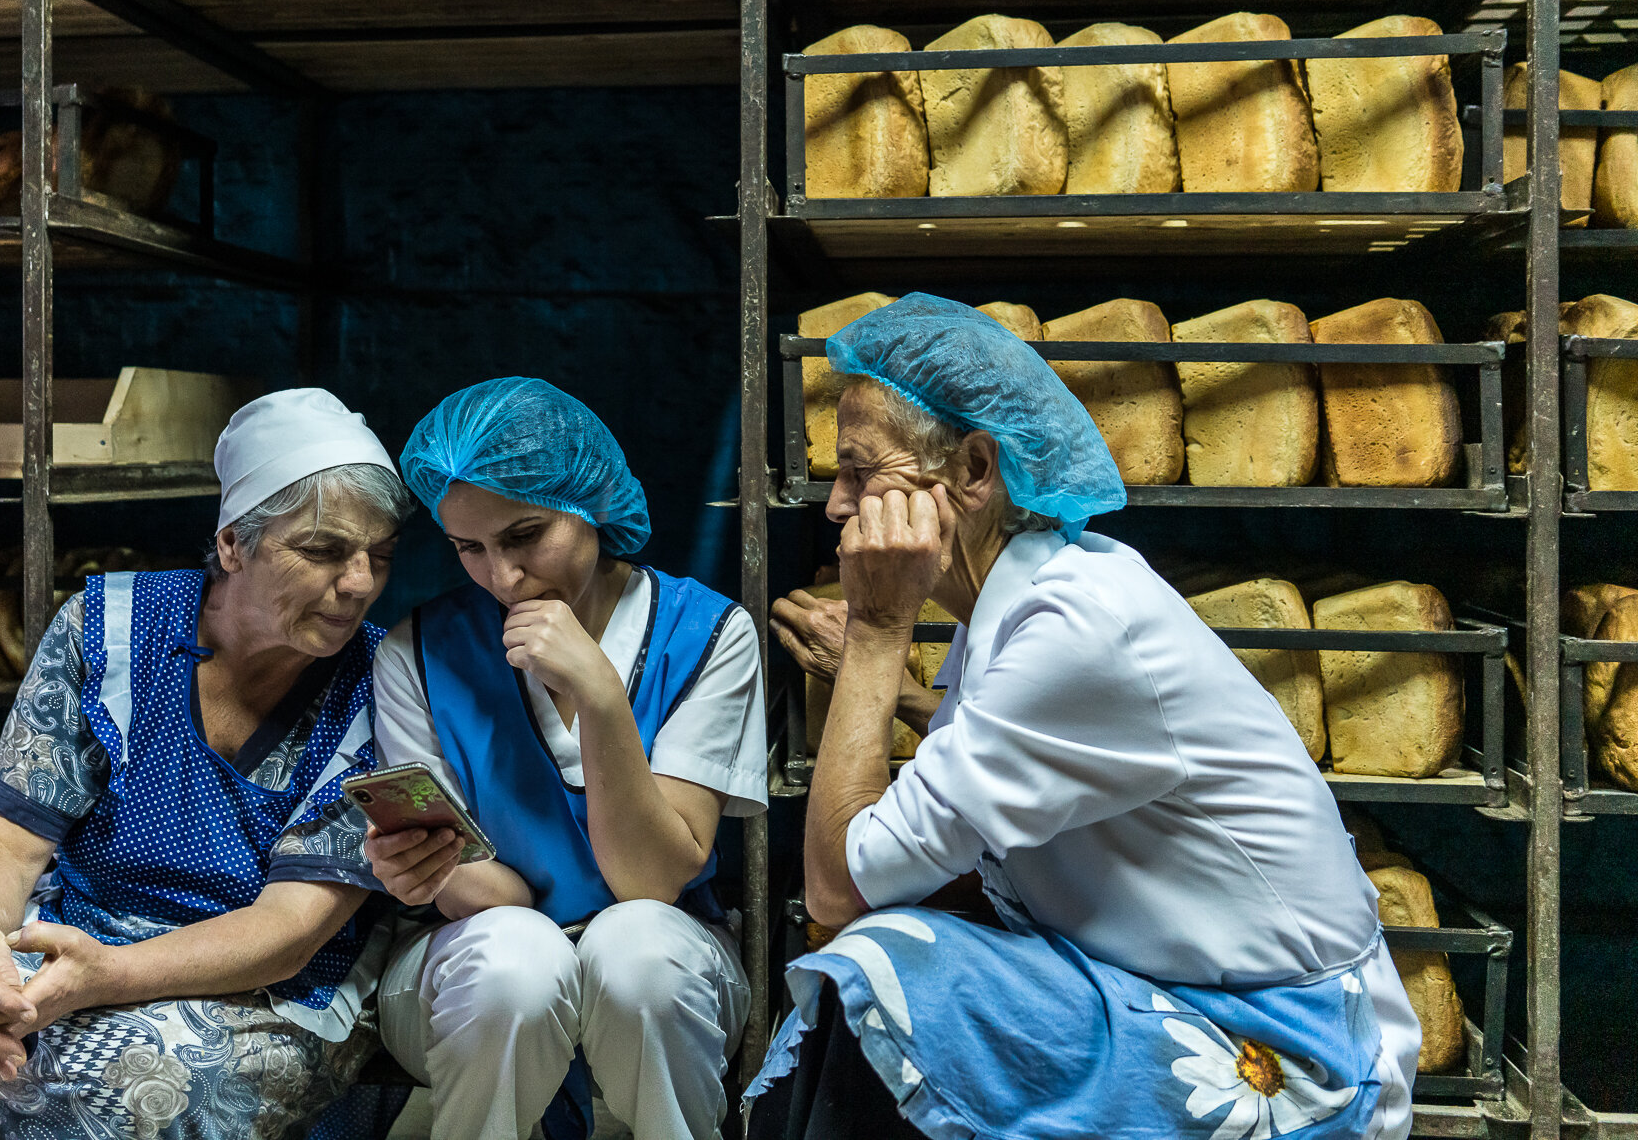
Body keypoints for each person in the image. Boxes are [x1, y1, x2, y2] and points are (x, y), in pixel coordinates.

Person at [753, 294, 1422, 1140]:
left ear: (974, 468)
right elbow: (992, 759)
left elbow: (836, 890)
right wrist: (908, 694)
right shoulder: (1028, 596)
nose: (836, 506)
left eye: (859, 470)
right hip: (1161, 987)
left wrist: (878, 635)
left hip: (1283, 1046)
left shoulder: (1077, 628)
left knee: (880, 960)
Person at [0, 389, 415, 1140]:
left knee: (132, 1080)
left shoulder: (385, 684)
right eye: (324, 550)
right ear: (234, 543)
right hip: (79, 933)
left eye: (381, 556)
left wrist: (100, 979)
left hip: (263, 988)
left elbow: (289, 929)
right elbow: (4, 841)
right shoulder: (111, 629)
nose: (361, 583)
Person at [361, 377, 765, 1140]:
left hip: (666, 960)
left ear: (593, 504)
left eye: (524, 536)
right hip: (478, 959)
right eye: (468, 548)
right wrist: (429, 870)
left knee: (636, 948)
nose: (502, 578)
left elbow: (651, 880)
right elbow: (484, 897)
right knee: (516, 961)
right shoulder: (416, 654)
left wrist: (603, 696)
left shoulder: (709, 636)